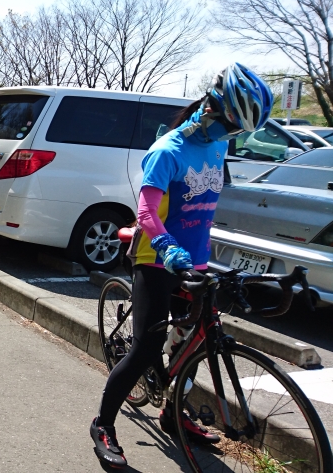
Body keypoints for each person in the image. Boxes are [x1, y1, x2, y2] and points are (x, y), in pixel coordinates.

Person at [89, 64, 274, 469]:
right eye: (232, 125)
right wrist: (170, 250)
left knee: (197, 339)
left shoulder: (218, 145)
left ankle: (173, 414)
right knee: (145, 348)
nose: (234, 135)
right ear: (212, 109)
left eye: (240, 131)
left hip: (196, 261)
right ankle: (103, 424)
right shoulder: (168, 151)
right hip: (156, 258)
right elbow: (147, 213)